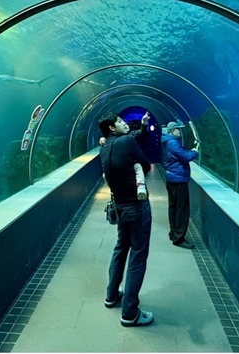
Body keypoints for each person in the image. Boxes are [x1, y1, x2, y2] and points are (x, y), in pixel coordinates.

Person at [100, 112, 155, 327]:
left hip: (120, 206)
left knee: (121, 247)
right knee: (138, 256)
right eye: (121, 122)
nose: (125, 124)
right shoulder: (127, 141)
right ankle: (130, 313)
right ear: (112, 128)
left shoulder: (104, 146)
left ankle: (111, 295)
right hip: (137, 206)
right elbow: (147, 164)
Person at [162, 121, 198, 249]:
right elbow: (186, 156)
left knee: (173, 207)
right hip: (178, 179)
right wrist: (195, 151)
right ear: (172, 131)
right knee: (182, 209)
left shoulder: (167, 141)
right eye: (178, 129)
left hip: (172, 178)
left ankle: (173, 233)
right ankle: (179, 238)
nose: (180, 131)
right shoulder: (173, 143)